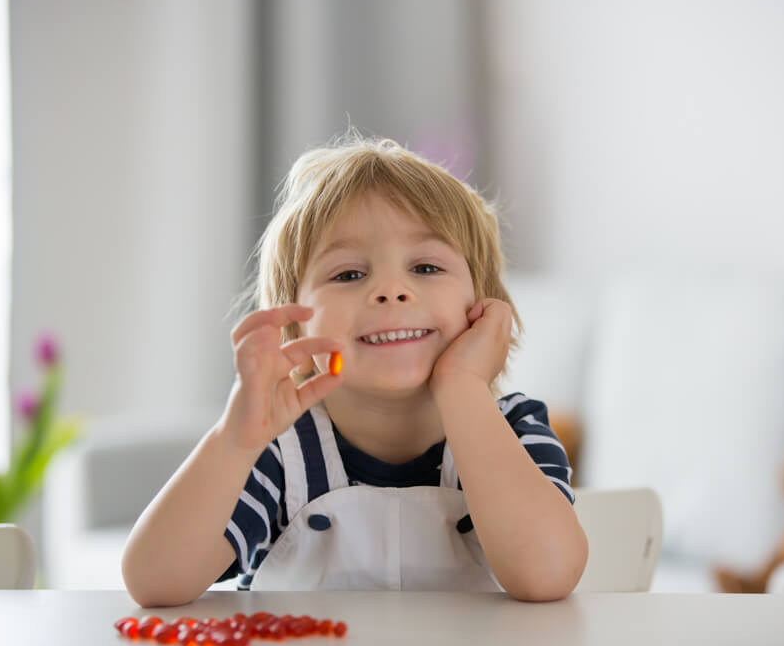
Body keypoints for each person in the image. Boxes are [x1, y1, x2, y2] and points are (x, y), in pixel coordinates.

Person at [121, 133, 588, 607]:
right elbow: (153, 582)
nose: (391, 289)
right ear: (293, 323)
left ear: (485, 308)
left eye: (426, 267)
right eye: (348, 275)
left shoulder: (516, 428)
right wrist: (234, 440)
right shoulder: (279, 453)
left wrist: (463, 387)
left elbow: (546, 575)